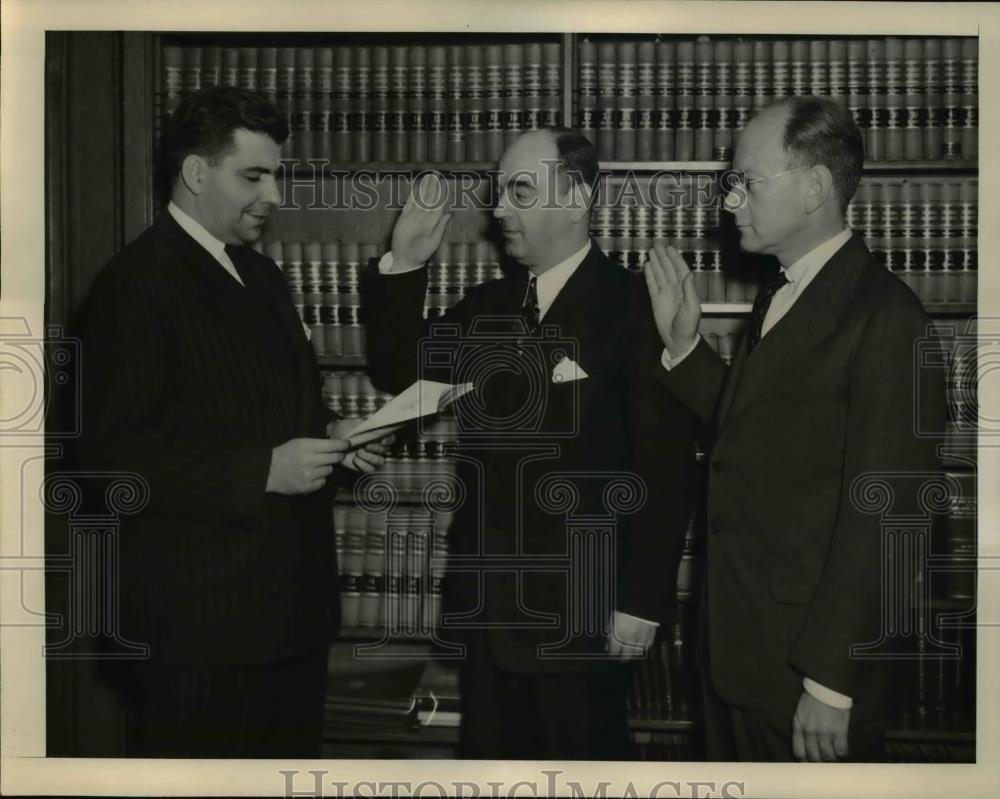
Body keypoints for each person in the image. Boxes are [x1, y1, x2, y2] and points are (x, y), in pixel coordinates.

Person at [362, 128, 698, 759]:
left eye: (519, 191)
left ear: (575, 199)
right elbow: (399, 369)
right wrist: (404, 264)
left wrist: (642, 600)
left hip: (585, 621)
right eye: (499, 192)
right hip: (487, 619)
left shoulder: (637, 307)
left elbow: (667, 468)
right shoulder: (487, 306)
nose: (498, 210)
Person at [76, 86, 387, 758]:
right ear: (196, 173)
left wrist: (336, 435)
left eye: (275, 175)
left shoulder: (262, 275)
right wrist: (263, 472)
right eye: (253, 176)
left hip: (291, 618)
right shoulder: (135, 283)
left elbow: (278, 406)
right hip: (202, 632)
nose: (273, 194)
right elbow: (108, 459)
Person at [643, 96, 945, 762]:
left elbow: (891, 516)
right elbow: (759, 434)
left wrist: (832, 681)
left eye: (747, 181)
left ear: (813, 188)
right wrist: (685, 347)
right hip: (743, 658)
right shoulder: (788, 291)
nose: (731, 200)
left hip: (807, 681)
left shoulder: (887, 317)